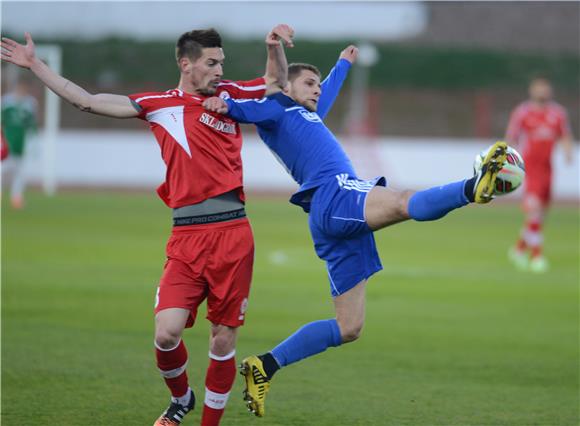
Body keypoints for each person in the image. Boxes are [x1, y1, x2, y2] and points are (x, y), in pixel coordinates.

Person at [1, 25, 293, 426]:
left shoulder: (231, 96)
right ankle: (181, 399)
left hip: (232, 234)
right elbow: (86, 100)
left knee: (222, 340)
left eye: (221, 63)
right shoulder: (160, 104)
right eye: (211, 63)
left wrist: (273, 47)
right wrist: (35, 65)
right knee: (166, 334)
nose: (218, 71)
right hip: (187, 237)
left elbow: (277, 81)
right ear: (185, 63)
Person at [202, 45, 509, 417]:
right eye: (308, 83)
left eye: (317, 84)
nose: (317, 90)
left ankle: (264, 365)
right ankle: (470, 188)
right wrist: (222, 101)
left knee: (349, 327)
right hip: (335, 193)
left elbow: (328, 89)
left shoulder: (306, 112)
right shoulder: (276, 107)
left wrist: (344, 63)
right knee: (401, 201)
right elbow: (243, 106)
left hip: (329, 216)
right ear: (286, 86)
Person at [505, 76, 574, 273]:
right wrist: (507, 163)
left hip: (547, 169)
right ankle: (536, 257)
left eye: (546, 88)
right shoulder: (522, 112)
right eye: (539, 88)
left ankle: (518, 250)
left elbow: (565, 135)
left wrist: (568, 151)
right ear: (532, 90)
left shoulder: (557, 113)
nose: (543, 91)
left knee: (540, 216)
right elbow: (512, 137)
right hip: (530, 168)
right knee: (534, 211)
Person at [1, 80, 38, 209]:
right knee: (2, 170)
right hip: (6, 142)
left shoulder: (30, 104)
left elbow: (32, 125)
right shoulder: (6, 102)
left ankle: (16, 198)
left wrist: (33, 142)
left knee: (20, 172)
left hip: (21, 144)